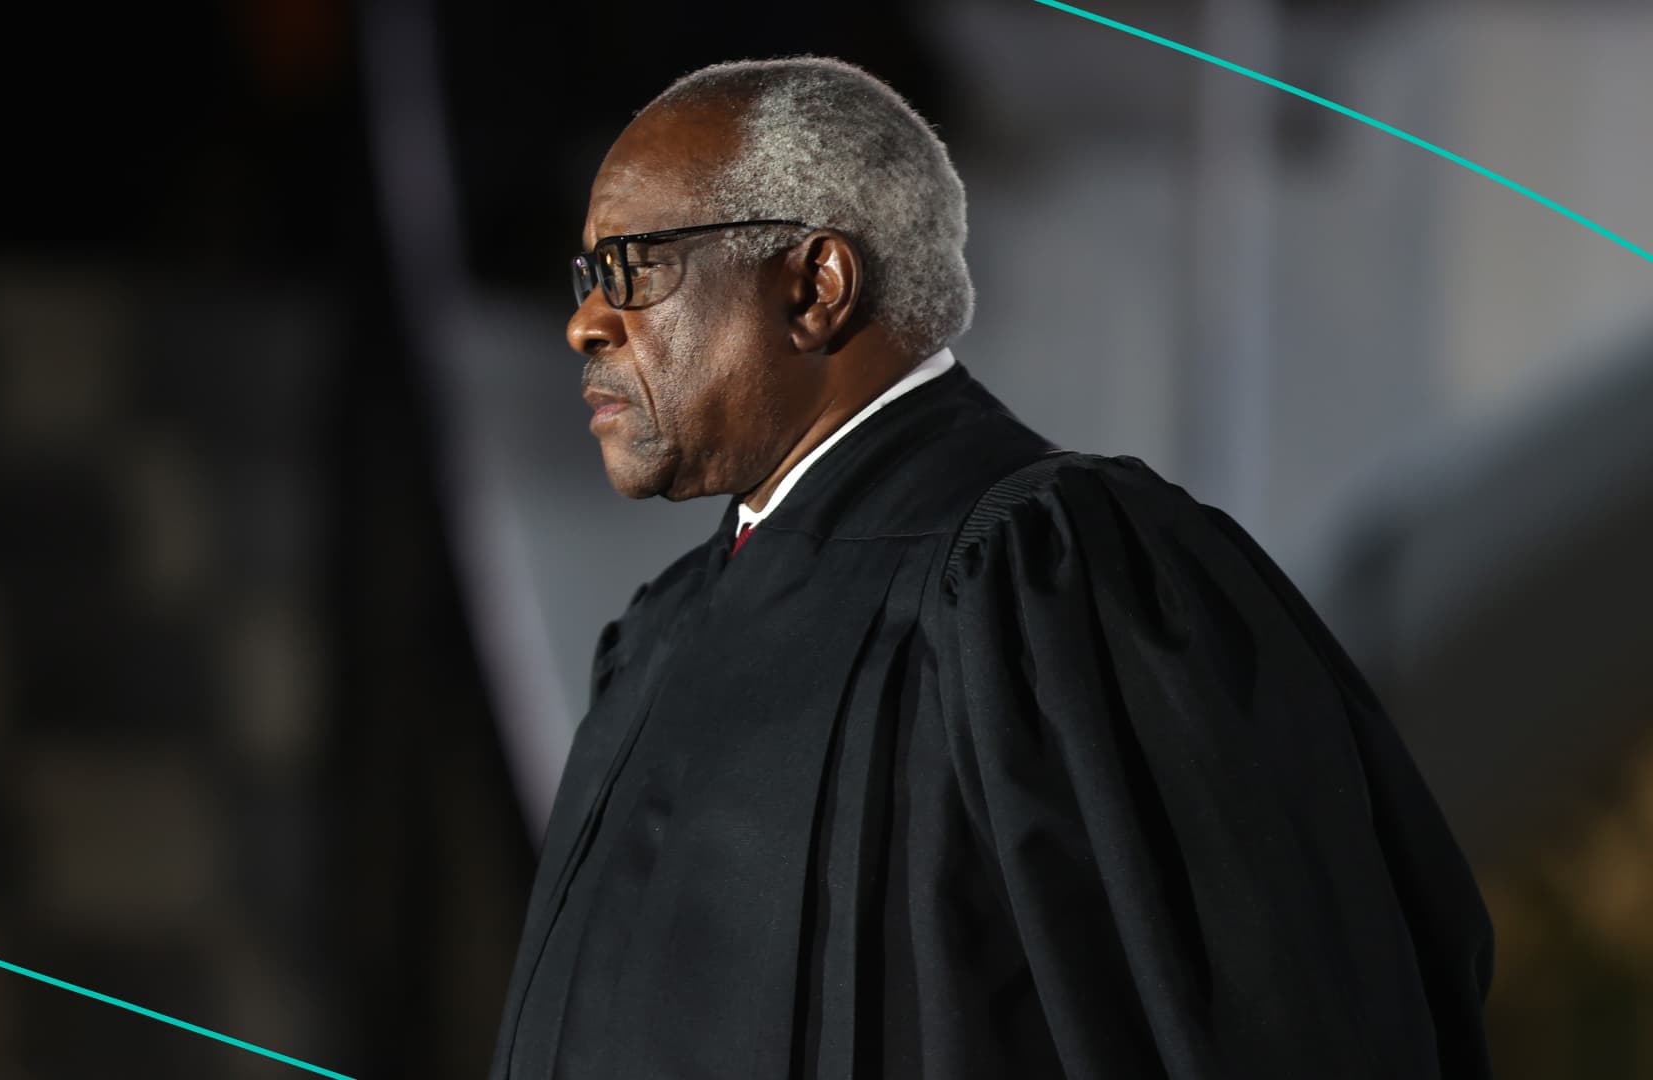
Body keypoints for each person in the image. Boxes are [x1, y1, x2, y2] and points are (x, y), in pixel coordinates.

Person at [490, 56, 1493, 1079]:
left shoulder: (1052, 581)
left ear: (815, 286)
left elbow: (1282, 1029)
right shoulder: (656, 640)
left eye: (634, 267)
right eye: (587, 276)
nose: (586, 321)